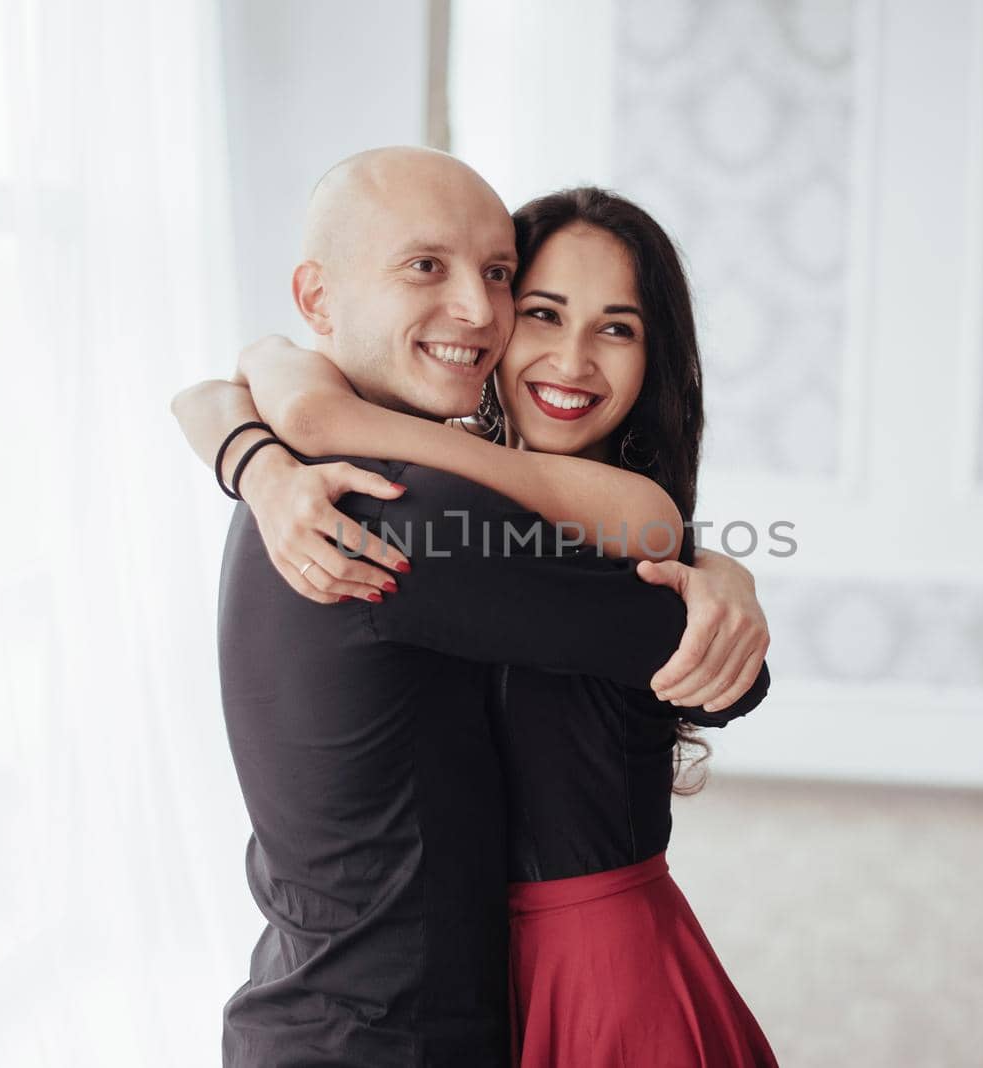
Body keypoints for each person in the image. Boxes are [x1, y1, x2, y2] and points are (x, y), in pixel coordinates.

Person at [170, 148, 772, 1066]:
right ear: (320, 296)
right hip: (399, 1021)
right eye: (539, 310)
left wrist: (251, 431)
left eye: (617, 328)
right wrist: (256, 432)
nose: (479, 310)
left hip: (530, 987)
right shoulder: (403, 509)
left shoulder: (379, 487)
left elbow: (723, 668)